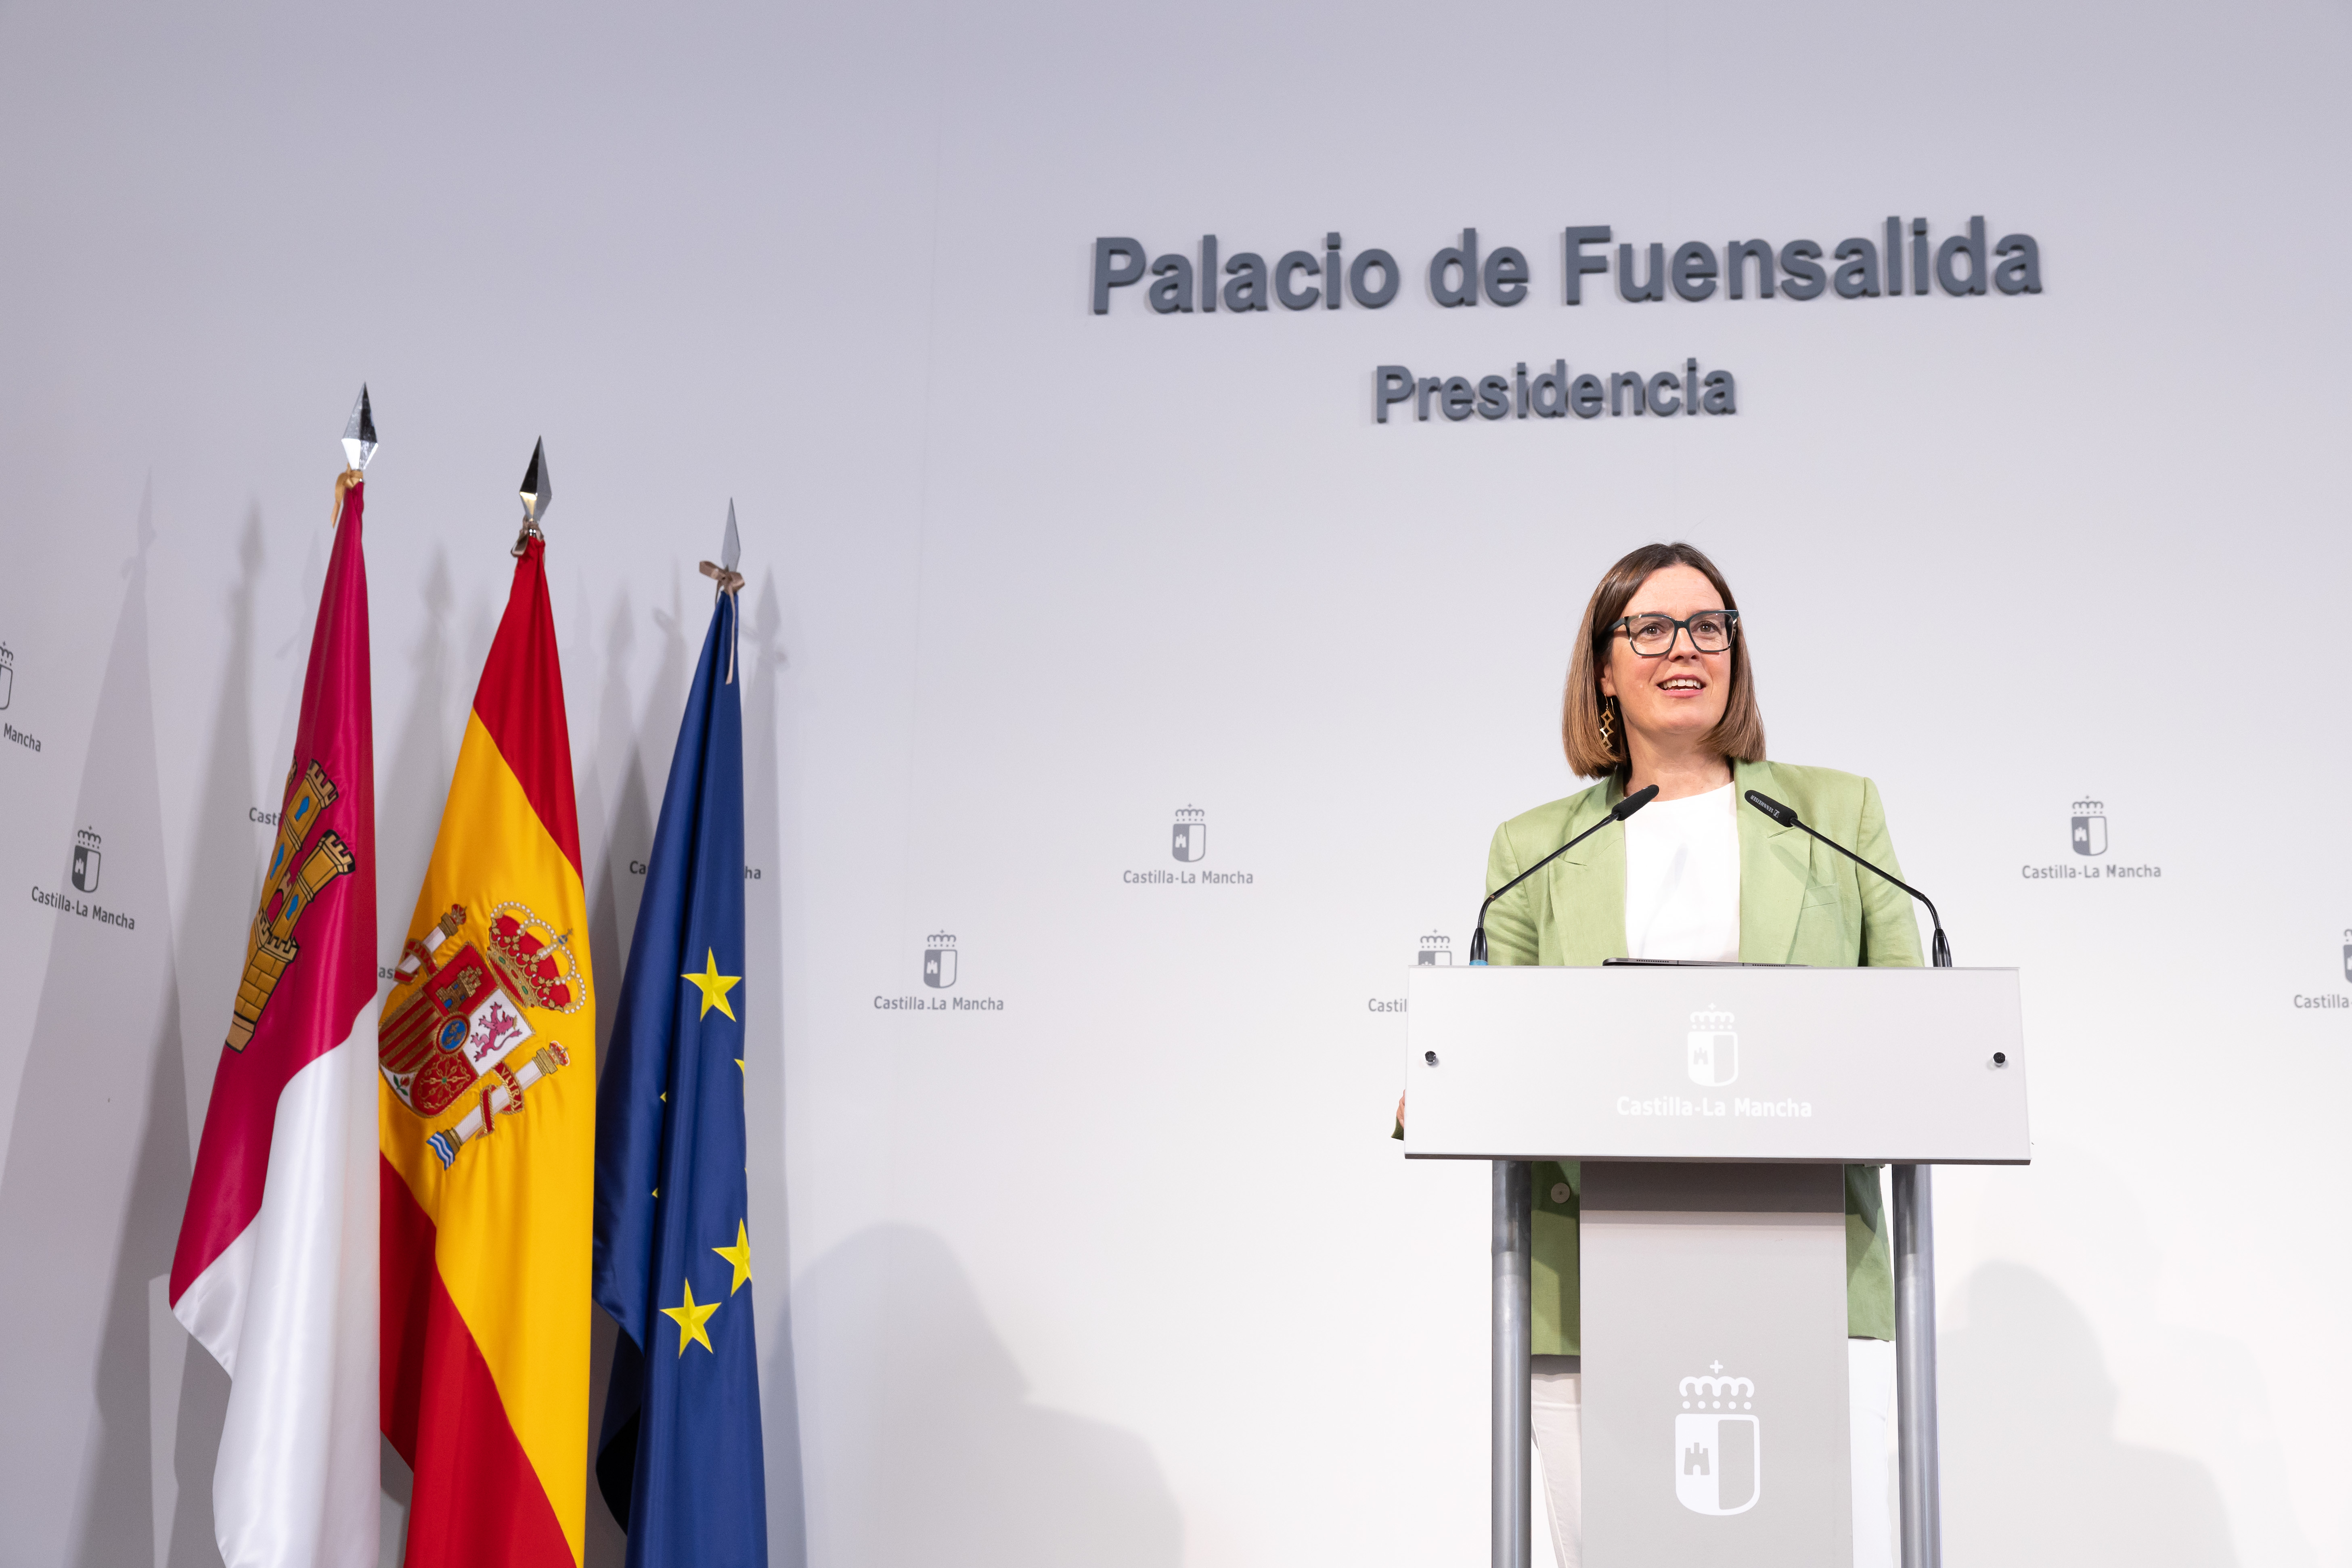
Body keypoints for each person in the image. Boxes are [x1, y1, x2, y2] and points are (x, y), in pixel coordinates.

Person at [1407, 541, 1918, 1568]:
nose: (1681, 647)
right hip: (1593, 1285)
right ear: (1602, 665)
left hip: (1811, 1268)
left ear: (1734, 651)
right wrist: (1444, 1074)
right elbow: (1490, 1043)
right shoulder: (1534, 846)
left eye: (1706, 625)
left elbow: (1909, 1027)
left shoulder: (1835, 813)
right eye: (1648, 627)